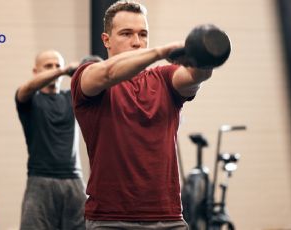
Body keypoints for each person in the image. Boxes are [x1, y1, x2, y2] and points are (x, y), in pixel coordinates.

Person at [71, 1, 215, 229]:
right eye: (126, 34)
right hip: (110, 220)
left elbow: (195, 77)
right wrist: (159, 52)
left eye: (143, 34)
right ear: (106, 40)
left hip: (168, 218)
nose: (137, 42)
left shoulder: (165, 79)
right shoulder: (88, 75)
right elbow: (108, 72)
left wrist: (202, 56)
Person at [15, 50, 86, 230]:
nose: (54, 69)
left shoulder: (71, 98)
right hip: (40, 181)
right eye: (48, 66)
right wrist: (63, 70)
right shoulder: (30, 99)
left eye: (57, 65)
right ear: (36, 71)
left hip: (74, 181)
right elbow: (27, 89)